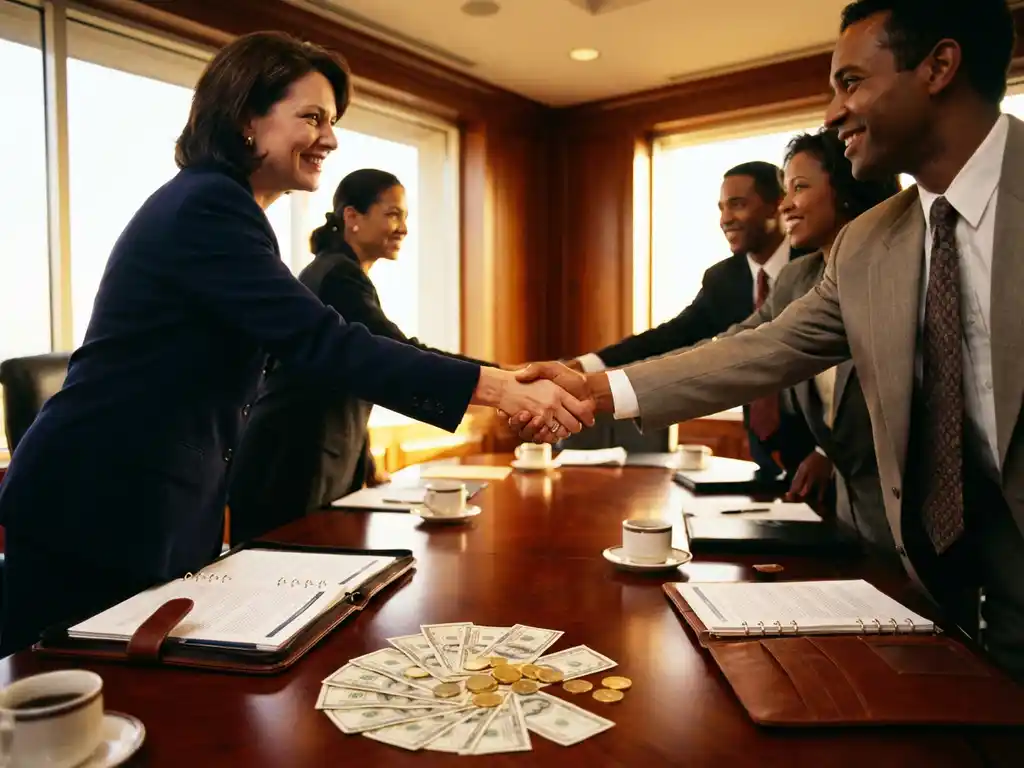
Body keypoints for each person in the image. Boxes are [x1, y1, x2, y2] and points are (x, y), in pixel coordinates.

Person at [0, 31, 591, 655]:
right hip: (96, 509)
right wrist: (499, 386)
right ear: (245, 119)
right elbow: (324, 341)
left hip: (151, 510)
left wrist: (501, 379)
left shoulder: (230, 210)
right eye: (312, 118)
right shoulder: (208, 206)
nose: (330, 139)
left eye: (331, 121)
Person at [521, 0, 1024, 677]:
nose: (830, 113)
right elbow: (761, 347)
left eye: (851, 82)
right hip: (943, 578)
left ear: (938, 66)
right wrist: (591, 387)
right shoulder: (872, 244)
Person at [227, 169, 500, 543]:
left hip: (307, 464)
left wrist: (367, 464)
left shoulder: (340, 272)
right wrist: (502, 379)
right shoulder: (338, 277)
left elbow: (355, 372)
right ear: (352, 217)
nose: (403, 227)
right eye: (392, 214)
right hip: (292, 467)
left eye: (405, 217)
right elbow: (396, 354)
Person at [708, 128, 901, 546]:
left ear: (847, 187)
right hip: (848, 518)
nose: (786, 204)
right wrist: (611, 383)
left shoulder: (902, 274)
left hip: (915, 522)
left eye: (799, 187)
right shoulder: (799, 277)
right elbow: (736, 347)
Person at [564, 161, 817, 479]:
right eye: (722, 208)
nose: (725, 219)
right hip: (764, 452)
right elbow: (674, 335)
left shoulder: (816, 265)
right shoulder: (723, 278)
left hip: (828, 451)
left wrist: (826, 451)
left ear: (776, 204)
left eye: (738, 205)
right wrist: (586, 365)